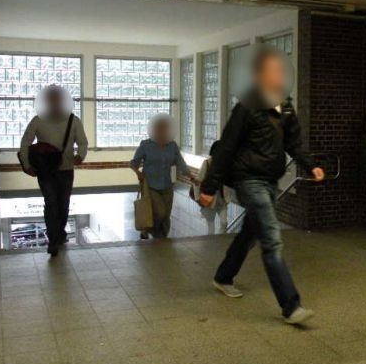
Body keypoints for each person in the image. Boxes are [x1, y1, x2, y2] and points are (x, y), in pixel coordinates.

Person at [200, 46, 325, 325]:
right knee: (271, 238)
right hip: (248, 179)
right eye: (273, 70)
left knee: (250, 233)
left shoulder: (285, 105)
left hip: (270, 179)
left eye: (281, 69)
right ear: (259, 75)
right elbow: (226, 148)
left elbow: (294, 142)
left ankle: (223, 276)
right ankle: (291, 306)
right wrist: (209, 187)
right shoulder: (246, 107)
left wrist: (310, 165)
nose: (279, 74)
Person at [19, 85, 87, 256]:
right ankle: (54, 239)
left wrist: (80, 155)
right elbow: (25, 142)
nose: (55, 102)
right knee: (51, 203)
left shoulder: (73, 120)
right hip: (45, 170)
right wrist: (26, 165)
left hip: (66, 169)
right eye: (52, 99)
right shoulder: (38, 120)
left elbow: (83, 142)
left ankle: (58, 233)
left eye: (57, 99)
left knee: (63, 204)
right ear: (46, 101)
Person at [130, 114, 193, 239]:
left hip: (167, 185)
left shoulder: (172, 145)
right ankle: (148, 228)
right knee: (160, 212)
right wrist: (138, 173)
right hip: (151, 185)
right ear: (154, 129)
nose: (163, 131)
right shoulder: (146, 145)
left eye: (165, 128)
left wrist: (192, 177)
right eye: (160, 128)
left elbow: (180, 163)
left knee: (166, 216)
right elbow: (133, 163)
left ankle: (162, 240)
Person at [197, 140, 232, 234]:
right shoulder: (207, 164)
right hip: (209, 200)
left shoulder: (227, 165)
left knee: (224, 223)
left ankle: (219, 242)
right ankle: (211, 245)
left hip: (222, 200)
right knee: (210, 226)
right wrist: (198, 198)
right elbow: (198, 181)